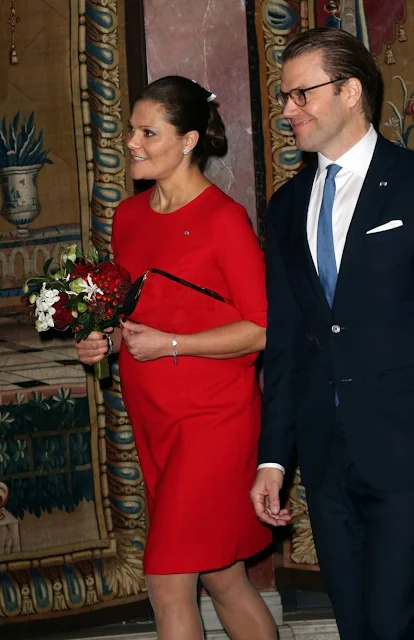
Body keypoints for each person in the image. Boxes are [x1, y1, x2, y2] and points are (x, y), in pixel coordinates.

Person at [75, 75, 284, 640]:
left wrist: (173, 345)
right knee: (222, 577)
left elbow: (264, 329)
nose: (133, 144)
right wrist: (105, 342)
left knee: (167, 582)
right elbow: (133, 320)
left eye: (149, 132)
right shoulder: (129, 218)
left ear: (189, 139)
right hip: (155, 417)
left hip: (212, 419)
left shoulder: (223, 220)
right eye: (130, 131)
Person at [251, 27, 414, 640]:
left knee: (393, 623)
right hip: (325, 458)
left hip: (404, 448)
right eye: (284, 96)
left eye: (301, 95)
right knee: (356, 625)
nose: (288, 110)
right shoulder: (288, 206)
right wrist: (273, 458)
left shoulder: (411, 183)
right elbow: (289, 342)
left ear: (350, 91)